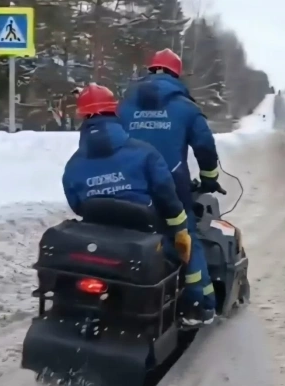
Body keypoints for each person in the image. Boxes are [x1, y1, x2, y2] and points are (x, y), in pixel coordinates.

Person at [62, 84, 211, 325]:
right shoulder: (145, 153)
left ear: (82, 117)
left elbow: (77, 204)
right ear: (115, 111)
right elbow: (167, 196)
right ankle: (194, 306)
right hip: (146, 236)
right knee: (187, 246)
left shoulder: (74, 165)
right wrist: (179, 228)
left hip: (100, 241)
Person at [116, 48, 221, 325]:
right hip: (170, 189)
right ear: (176, 74)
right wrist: (209, 177)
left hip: (125, 184)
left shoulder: (124, 106)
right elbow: (205, 147)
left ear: (150, 70)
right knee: (185, 237)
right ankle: (199, 305)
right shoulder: (186, 108)